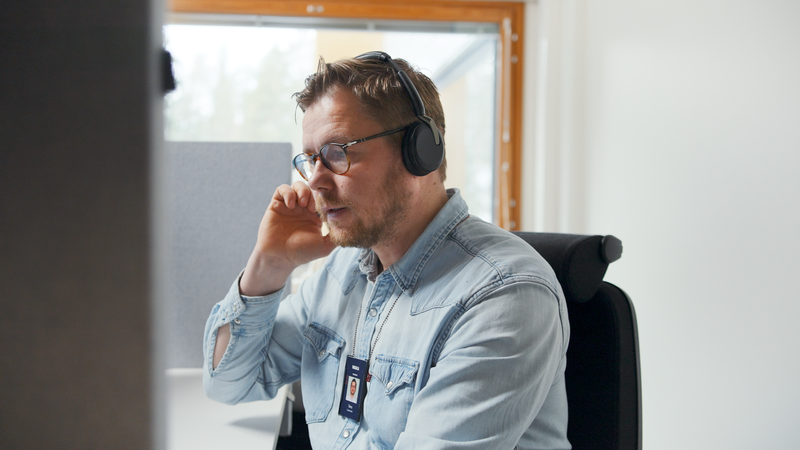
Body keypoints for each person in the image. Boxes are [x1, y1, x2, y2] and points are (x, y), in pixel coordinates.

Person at [202, 52, 571, 449]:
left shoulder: (504, 295)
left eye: (337, 153)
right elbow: (228, 383)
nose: (315, 183)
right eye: (310, 160)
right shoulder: (343, 269)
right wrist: (269, 265)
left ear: (419, 151)